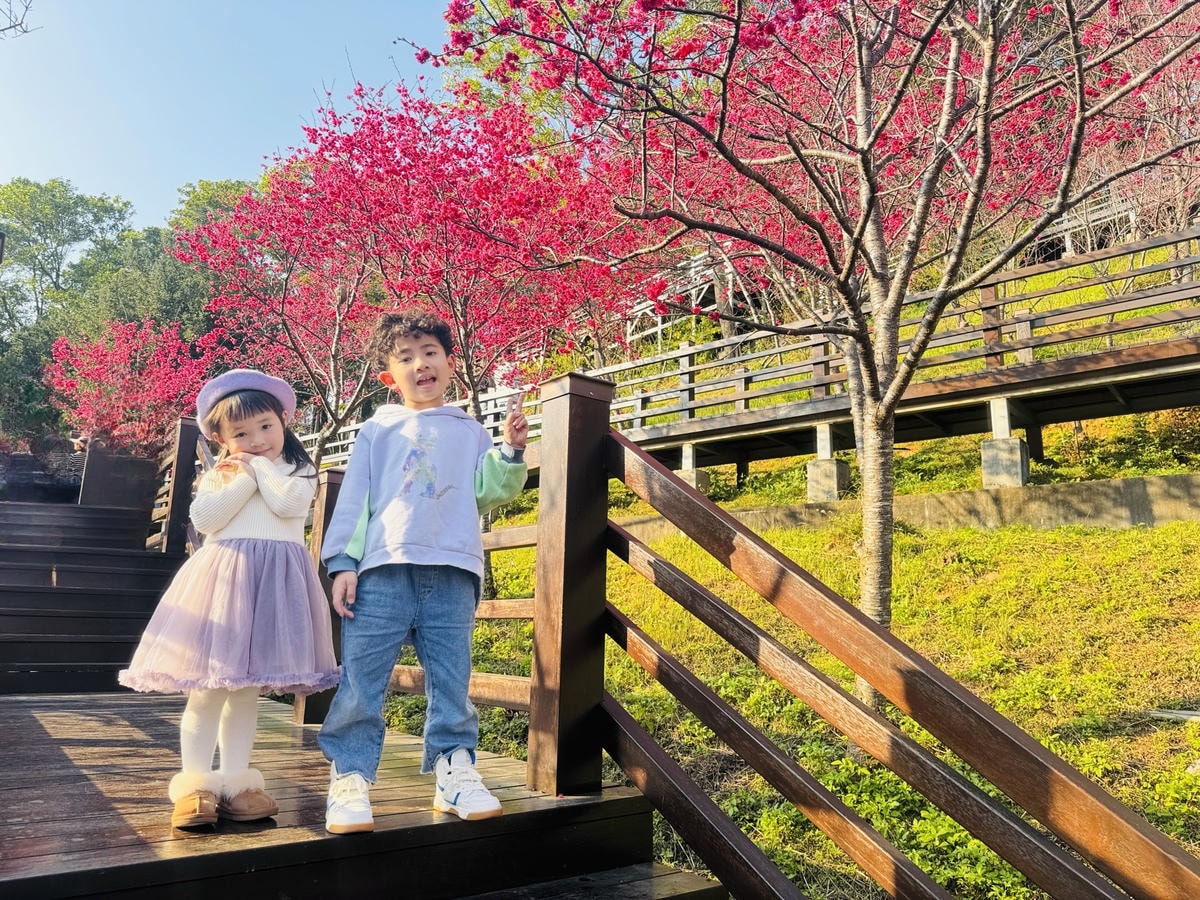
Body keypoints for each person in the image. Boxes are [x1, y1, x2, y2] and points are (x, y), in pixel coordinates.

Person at [317, 312, 529, 835]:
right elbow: (356, 500)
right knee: (362, 680)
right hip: (383, 568)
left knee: (452, 679)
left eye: (430, 352)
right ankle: (350, 775)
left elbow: (490, 491)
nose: (421, 364)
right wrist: (343, 562)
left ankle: (454, 768)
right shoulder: (378, 428)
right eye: (406, 358)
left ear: (451, 363)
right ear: (391, 377)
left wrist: (511, 449)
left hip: (454, 570)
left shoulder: (469, 430)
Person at [119, 369, 340, 830]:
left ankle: (238, 782)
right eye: (241, 433)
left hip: (276, 582)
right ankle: (195, 784)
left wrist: (255, 467)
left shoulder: (299, 470)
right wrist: (239, 474)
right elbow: (205, 518)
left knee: (245, 690)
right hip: (225, 581)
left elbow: (286, 506)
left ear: (284, 421)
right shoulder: (222, 474)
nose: (257, 439)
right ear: (220, 438)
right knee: (208, 689)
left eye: (266, 427)